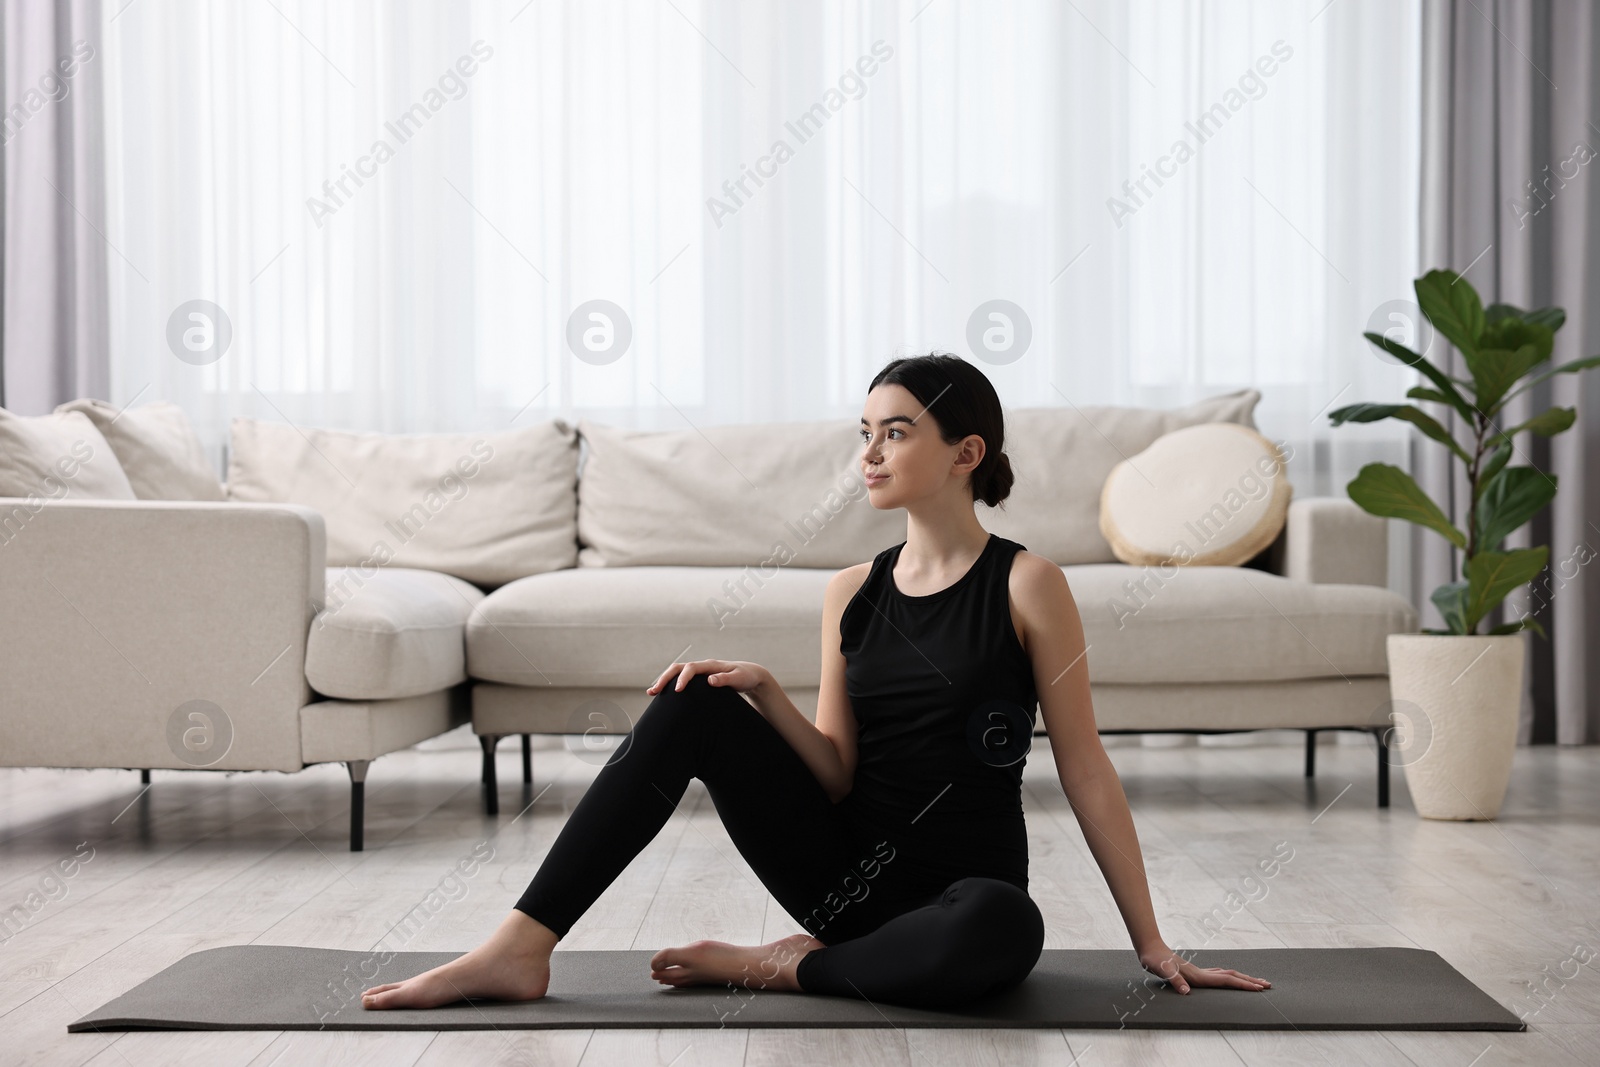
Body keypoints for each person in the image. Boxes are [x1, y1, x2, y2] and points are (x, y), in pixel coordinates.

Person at [360, 352, 1270, 1012]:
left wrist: (1149, 940)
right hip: (841, 878)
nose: (870, 453)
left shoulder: (1028, 583)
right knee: (693, 700)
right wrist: (764, 693)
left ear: (966, 452)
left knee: (1006, 927)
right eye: (864, 435)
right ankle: (521, 947)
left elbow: (1085, 766)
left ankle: (778, 966)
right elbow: (836, 773)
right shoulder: (849, 593)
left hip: (961, 895)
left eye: (896, 432)